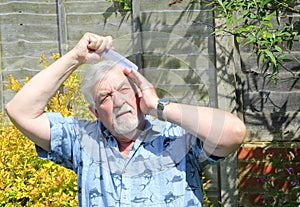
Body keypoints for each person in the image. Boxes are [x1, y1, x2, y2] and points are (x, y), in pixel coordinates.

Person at [5, 32, 246, 207]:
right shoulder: (84, 142)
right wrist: (75, 57)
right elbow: (20, 111)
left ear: (139, 92)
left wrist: (158, 107)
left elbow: (233, 132)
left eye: (123, 89)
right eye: (105, 97)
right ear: (95, 112)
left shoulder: (175, 137)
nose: (118, 101)